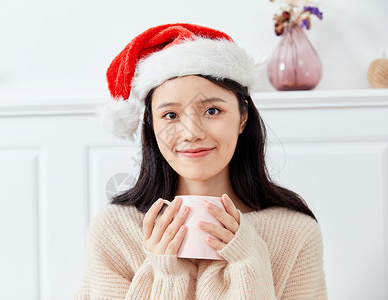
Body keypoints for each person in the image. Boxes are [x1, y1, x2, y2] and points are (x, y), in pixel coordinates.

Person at [74, 23, 327, 299]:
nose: (192, 133)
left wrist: (247, 262)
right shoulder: (114, 231)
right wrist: (167, 276)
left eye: (212, 110)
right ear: (151, 125)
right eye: (170, 115)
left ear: (243, 117)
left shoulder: (295, 232)